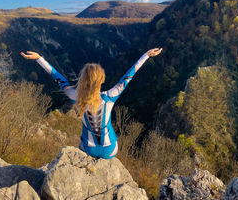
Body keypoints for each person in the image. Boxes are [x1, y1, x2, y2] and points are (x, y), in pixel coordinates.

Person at [21, 48, 162, 159]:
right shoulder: (110, 97)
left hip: (88, 149)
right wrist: (146, 55)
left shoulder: (75, 97)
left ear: (82, 80)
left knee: (84, 138)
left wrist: (39, 58)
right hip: (110, 150)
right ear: (101, 80)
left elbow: (58, 78)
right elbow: (129, 76)